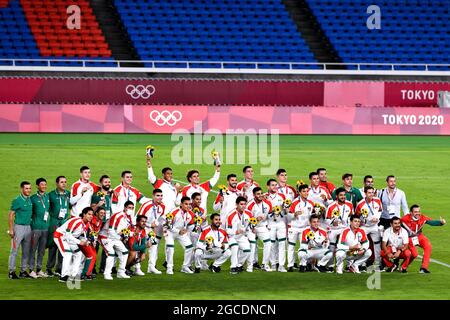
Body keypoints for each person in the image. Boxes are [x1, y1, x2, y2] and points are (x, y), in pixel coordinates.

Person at [401, 204, 446, 273]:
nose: (418, 213)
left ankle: (424, 268)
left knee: (428, 246)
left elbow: (431, 222)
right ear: (411, 213)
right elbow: (396, 226)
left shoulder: (422, 217)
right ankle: (403, 266)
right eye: (415, 212)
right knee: (414, 254)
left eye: (419, 211)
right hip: (409, 238)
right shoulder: (404, 219)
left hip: (419, 236)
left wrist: (441, 223)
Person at [53, 207, 93, 282]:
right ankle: (64, 276)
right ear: (84, 214)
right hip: (60, 236)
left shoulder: (87, 224)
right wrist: (79, 242)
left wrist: (86, 241)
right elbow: (67, 235)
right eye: (89, 214)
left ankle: (73, 275)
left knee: (78, 254)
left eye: (92, 215)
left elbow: (81, 235)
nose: (91, 216)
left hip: (70, 239)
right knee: (68, 254)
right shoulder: (76, 221)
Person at [99, 201, 133, 280]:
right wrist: (120, 238)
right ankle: (107, 273)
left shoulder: (128, 218)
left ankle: (121, 272)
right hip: (105, 237)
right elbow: (111, 230)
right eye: (129, 208)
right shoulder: (118, 216)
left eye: (132, 208)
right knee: (111, 253)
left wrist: (129, 235)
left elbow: (124, 231)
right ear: (125, 208)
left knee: (124, 252)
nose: (131, 209)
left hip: (115, 237)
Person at [136, 188, 165, 274]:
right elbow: (138, 218)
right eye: (157, 196)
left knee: (154, 245)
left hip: (149, 229)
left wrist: (154, 225)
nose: (160, 197)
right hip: (139, 227)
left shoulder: (162, 206)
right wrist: (149, 225)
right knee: (139, 247)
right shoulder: (147, 205)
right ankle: (137, 268)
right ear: (153, 196)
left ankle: (151, 267)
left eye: (161, 196)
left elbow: (159, 218)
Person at [8, 181, 33, 279]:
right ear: (22, 189)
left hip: (28, 228)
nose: (28, 190)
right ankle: (11, 271)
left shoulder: (29, 199)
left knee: (26, 251)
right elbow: (11, 215)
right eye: (26, 188)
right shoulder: (17, 200)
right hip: (18, 227)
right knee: (14, 250)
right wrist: (11, 229)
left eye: (30, 188)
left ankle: (23, 271)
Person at [46, 176, 70, 277]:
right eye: (61, 182)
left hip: (64, 222)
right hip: (54, 222)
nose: (64, 184)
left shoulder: (68, 194)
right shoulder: (51, 195)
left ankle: (59, 268)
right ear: (57, 183)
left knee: (63, 244)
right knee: (53, 245)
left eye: (65, 182)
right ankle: (49, 268)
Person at [164, 196, 195, 275]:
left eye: (189, 204)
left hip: (181, 232)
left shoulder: (190, 213)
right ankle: (169, 267)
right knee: (170, 248)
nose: (188, 206)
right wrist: (178, 231)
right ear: (181, 204)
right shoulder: (174, 211)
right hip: (170, 232)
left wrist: (186, 230)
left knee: (189, 247)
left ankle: (185, 266)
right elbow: (168, 225)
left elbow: (191, 226)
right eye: (186, 204)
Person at [287, 184, 314, 272]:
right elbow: (288, 216)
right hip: (294, 227)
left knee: (304, 246)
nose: (306, 193)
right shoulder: (294, 202)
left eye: (307, 191)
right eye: (304, 191)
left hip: (304, 228)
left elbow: (311, 216)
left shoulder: (311, 203)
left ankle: (303, 265)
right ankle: (290, 265)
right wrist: (294, 214)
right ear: (299, 192)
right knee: (291, 246)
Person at [354, 186, 382, 269]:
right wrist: (362, 222)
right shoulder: (360, 204)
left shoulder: (377, 200)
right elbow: (357, 216)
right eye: (369, 193)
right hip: (364, 227)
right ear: (365, 193)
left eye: (372, 192)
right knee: (362, 244)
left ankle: (378, 263)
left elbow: (380, 210)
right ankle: (361, 263)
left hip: (374, 226)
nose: (371, 194)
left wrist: (377, 217)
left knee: (377, 244)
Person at [246, 187, 272, 272]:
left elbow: (270, 215)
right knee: (253, 245)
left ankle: (265, 264)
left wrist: (268, 223)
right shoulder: (249, 205)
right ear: (254, 195)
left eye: (261, 193)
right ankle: (251, 264)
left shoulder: (267, 203)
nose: (260, 195)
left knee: (268, 242)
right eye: (258, 194)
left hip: (262, 227)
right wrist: (254, 222)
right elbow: (246, 218)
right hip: (251, 227)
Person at [325, 187, 353, 266]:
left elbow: (351, 216)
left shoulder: (349, 204)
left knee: (349, 244)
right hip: (334, 229)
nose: (343, 197)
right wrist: (332, 222)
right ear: (336, 196)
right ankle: (330, 265)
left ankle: (349, 265)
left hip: (345, 228)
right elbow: (326, 219)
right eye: (341, 195)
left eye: (344, 195)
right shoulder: (331, 206)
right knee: (332, 246)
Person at [226, 196, 254, 274]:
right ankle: (233, 267)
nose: (243, 206)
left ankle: (239, 264)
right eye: (241, 204)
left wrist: (253, 227)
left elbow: (251, 224)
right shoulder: (231, 215)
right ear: (237, 204)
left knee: (247, 250)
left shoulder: (249, 213)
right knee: (235, 247)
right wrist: (235, 232)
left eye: (245, 204)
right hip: (232, 236)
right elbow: (227, 230)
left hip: (241, 236)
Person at [29, 178, 50, 278]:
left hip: (45, 227)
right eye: (42, 184)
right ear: (37, 186)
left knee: (42, 250)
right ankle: (31, 269)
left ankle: (39, 269)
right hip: (35, 227)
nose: (44, 186)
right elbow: (29, 212)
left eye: (45, 184)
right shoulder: (32, 198)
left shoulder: (47, 197)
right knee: (33, 249)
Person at [265, 179, 287, 272]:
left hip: (281, 222)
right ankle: (273, 264)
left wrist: (285, 207)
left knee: (282, 244)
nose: (275, 187)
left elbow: (286, 210)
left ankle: (281, 265)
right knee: (272, 244)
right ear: (268, 187)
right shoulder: (265, 197)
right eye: (272, 185)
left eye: (275, 185)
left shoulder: (282, 196)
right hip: (271, 223)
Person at [89, 207, 106, 275]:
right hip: (88, 239)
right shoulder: (92, 220)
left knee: (94, 254)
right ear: (96, 213)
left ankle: (92, 269)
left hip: (94, 240)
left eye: (104, 213)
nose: (103, 214)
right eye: (101, 213)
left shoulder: (100, 221)